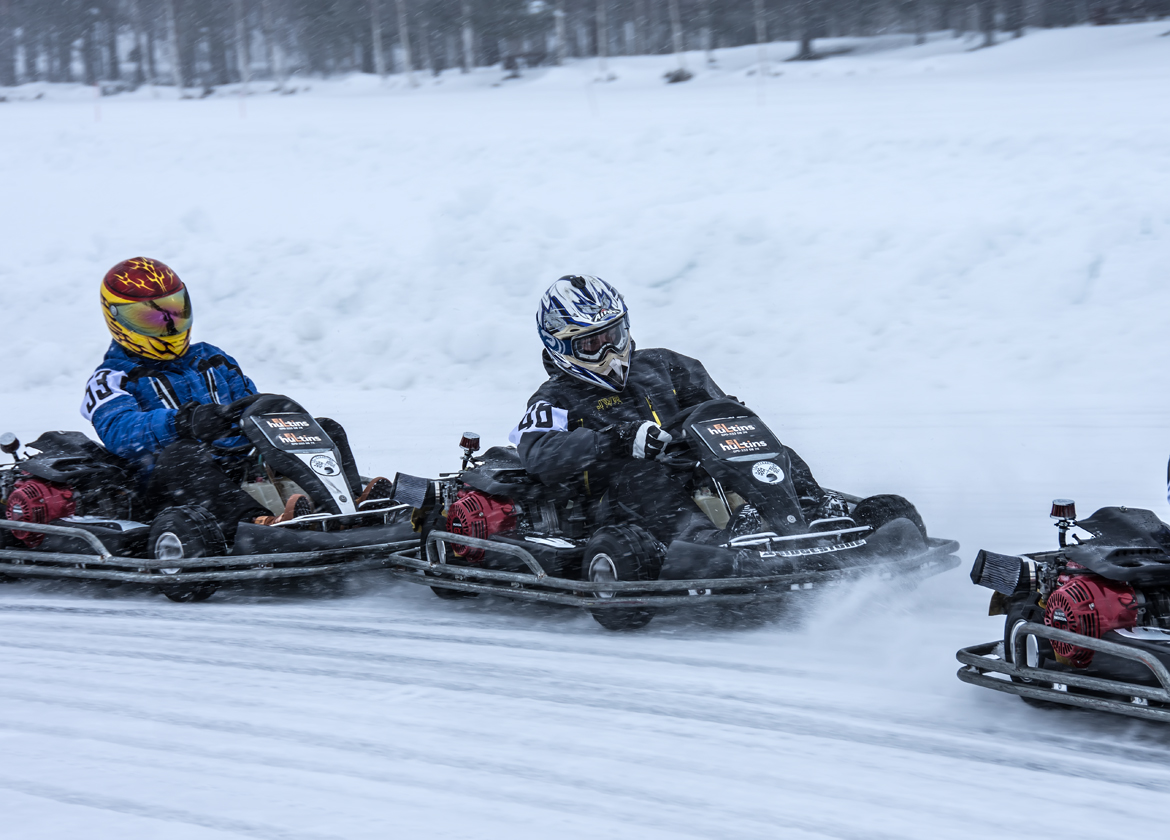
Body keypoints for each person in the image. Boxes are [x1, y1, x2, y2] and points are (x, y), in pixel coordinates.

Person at [508, 274, 828, 544]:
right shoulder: (554, 398)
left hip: (693, 474)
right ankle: (707, 543)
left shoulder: (664, 365)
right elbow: (540, 454)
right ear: (562, 346)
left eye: (613, 336)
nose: (609, 351)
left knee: (768, 451)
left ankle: (817, 515)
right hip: (611, 504)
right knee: (645, 476)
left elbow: (720, 411)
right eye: (593, 344)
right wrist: (617, 440)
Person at [81, 257, 389, 535]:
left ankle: (348, 507)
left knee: (324, 428)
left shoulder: (212, 358)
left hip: (233, 467)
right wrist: (183, 422)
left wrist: (266, 414)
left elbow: (250, 406)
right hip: (166, 488)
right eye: (152, 318)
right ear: (117, 319)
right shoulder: (111, 378)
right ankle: (259, 524)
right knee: (183, 455)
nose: (169, 324)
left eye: (173, 311)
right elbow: (120, 430)